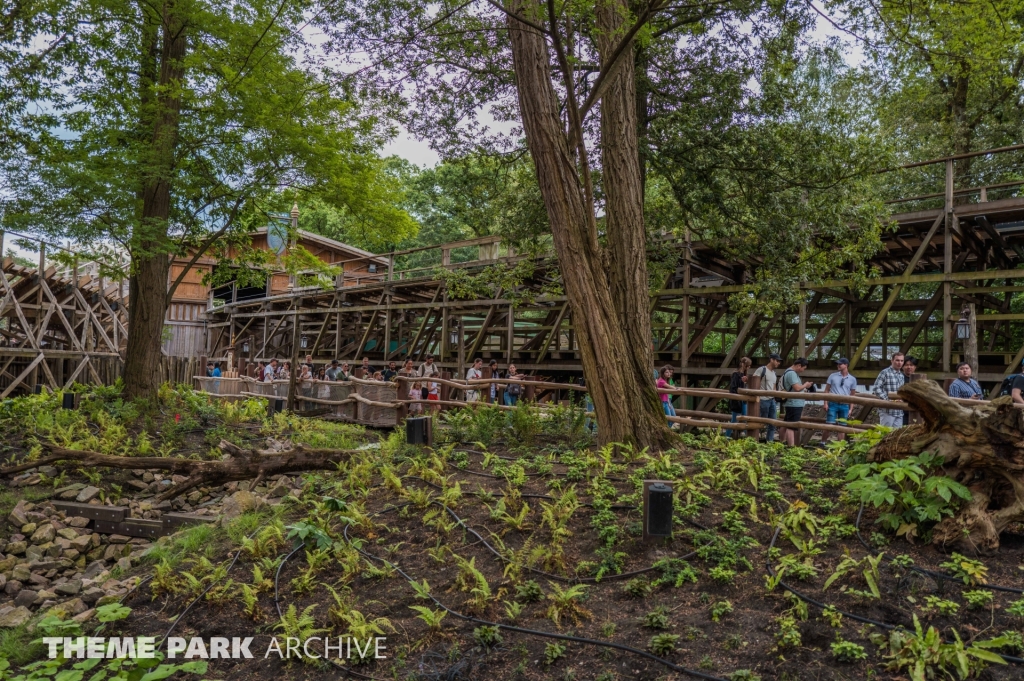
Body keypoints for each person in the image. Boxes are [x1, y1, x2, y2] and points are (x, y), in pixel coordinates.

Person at [780, 358, 813, 447]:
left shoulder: (789, 372)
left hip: (792, 402)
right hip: (794, 403)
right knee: (792, 426)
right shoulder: (791, 373)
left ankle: (781, 443)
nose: (803, 370)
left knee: (785, 423)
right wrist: (805, 385)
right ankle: (791, 446)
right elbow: (797, 388)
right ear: (799, 365)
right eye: (803, 368)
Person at [824, 357, 857, 441]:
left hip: (845, 405)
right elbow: (827, 390)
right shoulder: (832, 376)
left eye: (840, 364)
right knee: (829, 425)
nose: (838, 365)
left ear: (846, 365)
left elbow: (852, 395)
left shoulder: (852, 379)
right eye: (838, 364)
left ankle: (840, 446)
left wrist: (851, 408)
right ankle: (822, 442)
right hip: (833, 403)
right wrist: (825, 403)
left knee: (842, 427)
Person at [870, 352, 906, 428]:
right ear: (892, 360)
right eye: (897, 360)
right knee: (885, 435)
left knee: (897, 436)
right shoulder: (885, 372)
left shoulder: (901, 375)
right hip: (887, 410)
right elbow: (876, 387)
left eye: (901, 361)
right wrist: (887, 399)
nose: (899, 363)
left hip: (899, 410)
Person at [753, 353, 782, 442]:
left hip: (771, 399)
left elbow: (774, 387)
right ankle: (755, 440)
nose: (778, 363)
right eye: (777, 361)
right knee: (761, 421)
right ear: (771, 360)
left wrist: (777, 394)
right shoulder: (762, 370)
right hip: (763, 399)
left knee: (773, 422)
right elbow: (754, 381)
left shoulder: (774, 373)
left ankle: (769, 441)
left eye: (779, 361)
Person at [726, 357, 751, 438]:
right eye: (747, 366)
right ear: (743, 364)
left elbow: (746, 388)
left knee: (744, 417)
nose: (748, 367)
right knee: (734, 419)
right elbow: (733, 388)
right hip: (736, 400)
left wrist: (746, 382)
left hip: (743, 400)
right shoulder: (735, 374)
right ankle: (727, 436)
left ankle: (745, 435)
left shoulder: (744, 375)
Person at [901, 356, 919, 425]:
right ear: (903, 367)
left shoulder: (919, 379)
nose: (909, 367)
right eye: (906, 365)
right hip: (902, 411)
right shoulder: (899, 378)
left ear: (915, 367)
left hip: (916, 410)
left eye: (911, 365)